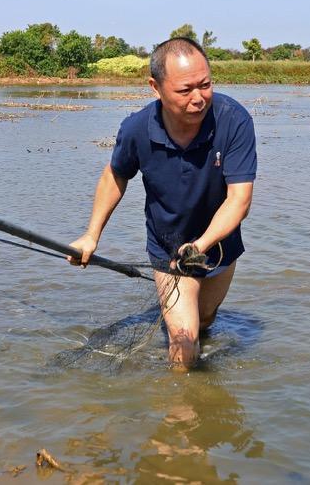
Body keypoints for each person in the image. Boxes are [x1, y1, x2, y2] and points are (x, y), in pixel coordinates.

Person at [68, 37, 257, 370]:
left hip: (220, 245)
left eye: (206, 85)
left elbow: (239, 200)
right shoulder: (137, 128)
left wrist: (200, 246)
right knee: (183, 341)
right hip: (168, 246)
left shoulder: (233, 120)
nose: (198, 98)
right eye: (185, 90)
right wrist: (91, 234)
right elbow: (115, 176)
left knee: (205, 320)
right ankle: (180, 412)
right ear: (155, 87)